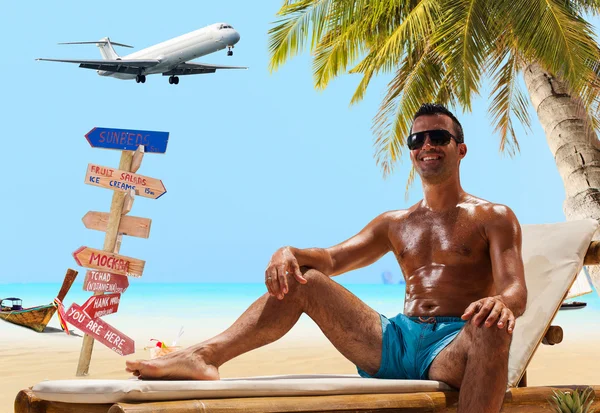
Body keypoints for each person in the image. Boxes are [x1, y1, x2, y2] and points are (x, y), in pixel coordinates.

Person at [126, 103, 527, 413]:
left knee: (493, 325)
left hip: (452, 344)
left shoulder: (493, 217)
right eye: (416, 140)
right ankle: (203, 356)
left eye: (437, 137)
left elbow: (516, 292)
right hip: (396, 341)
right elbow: (331, 259)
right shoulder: (395, 223)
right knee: (308, 280)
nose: (426, 146)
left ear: (460, 148)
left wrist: (500, 302)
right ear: (411, 152)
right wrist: (291, 252)